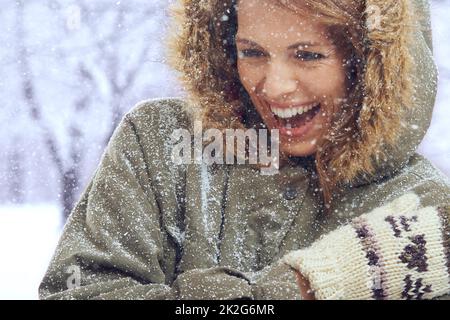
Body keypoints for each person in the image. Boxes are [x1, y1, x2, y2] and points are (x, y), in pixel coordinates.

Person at [39, 0, 450, 300]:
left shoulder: (424, 214)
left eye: (307, 55)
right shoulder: (161, 142)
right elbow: (76, 293)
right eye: (252, 52)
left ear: (369, 63)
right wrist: (302, 289)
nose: (274, 87)